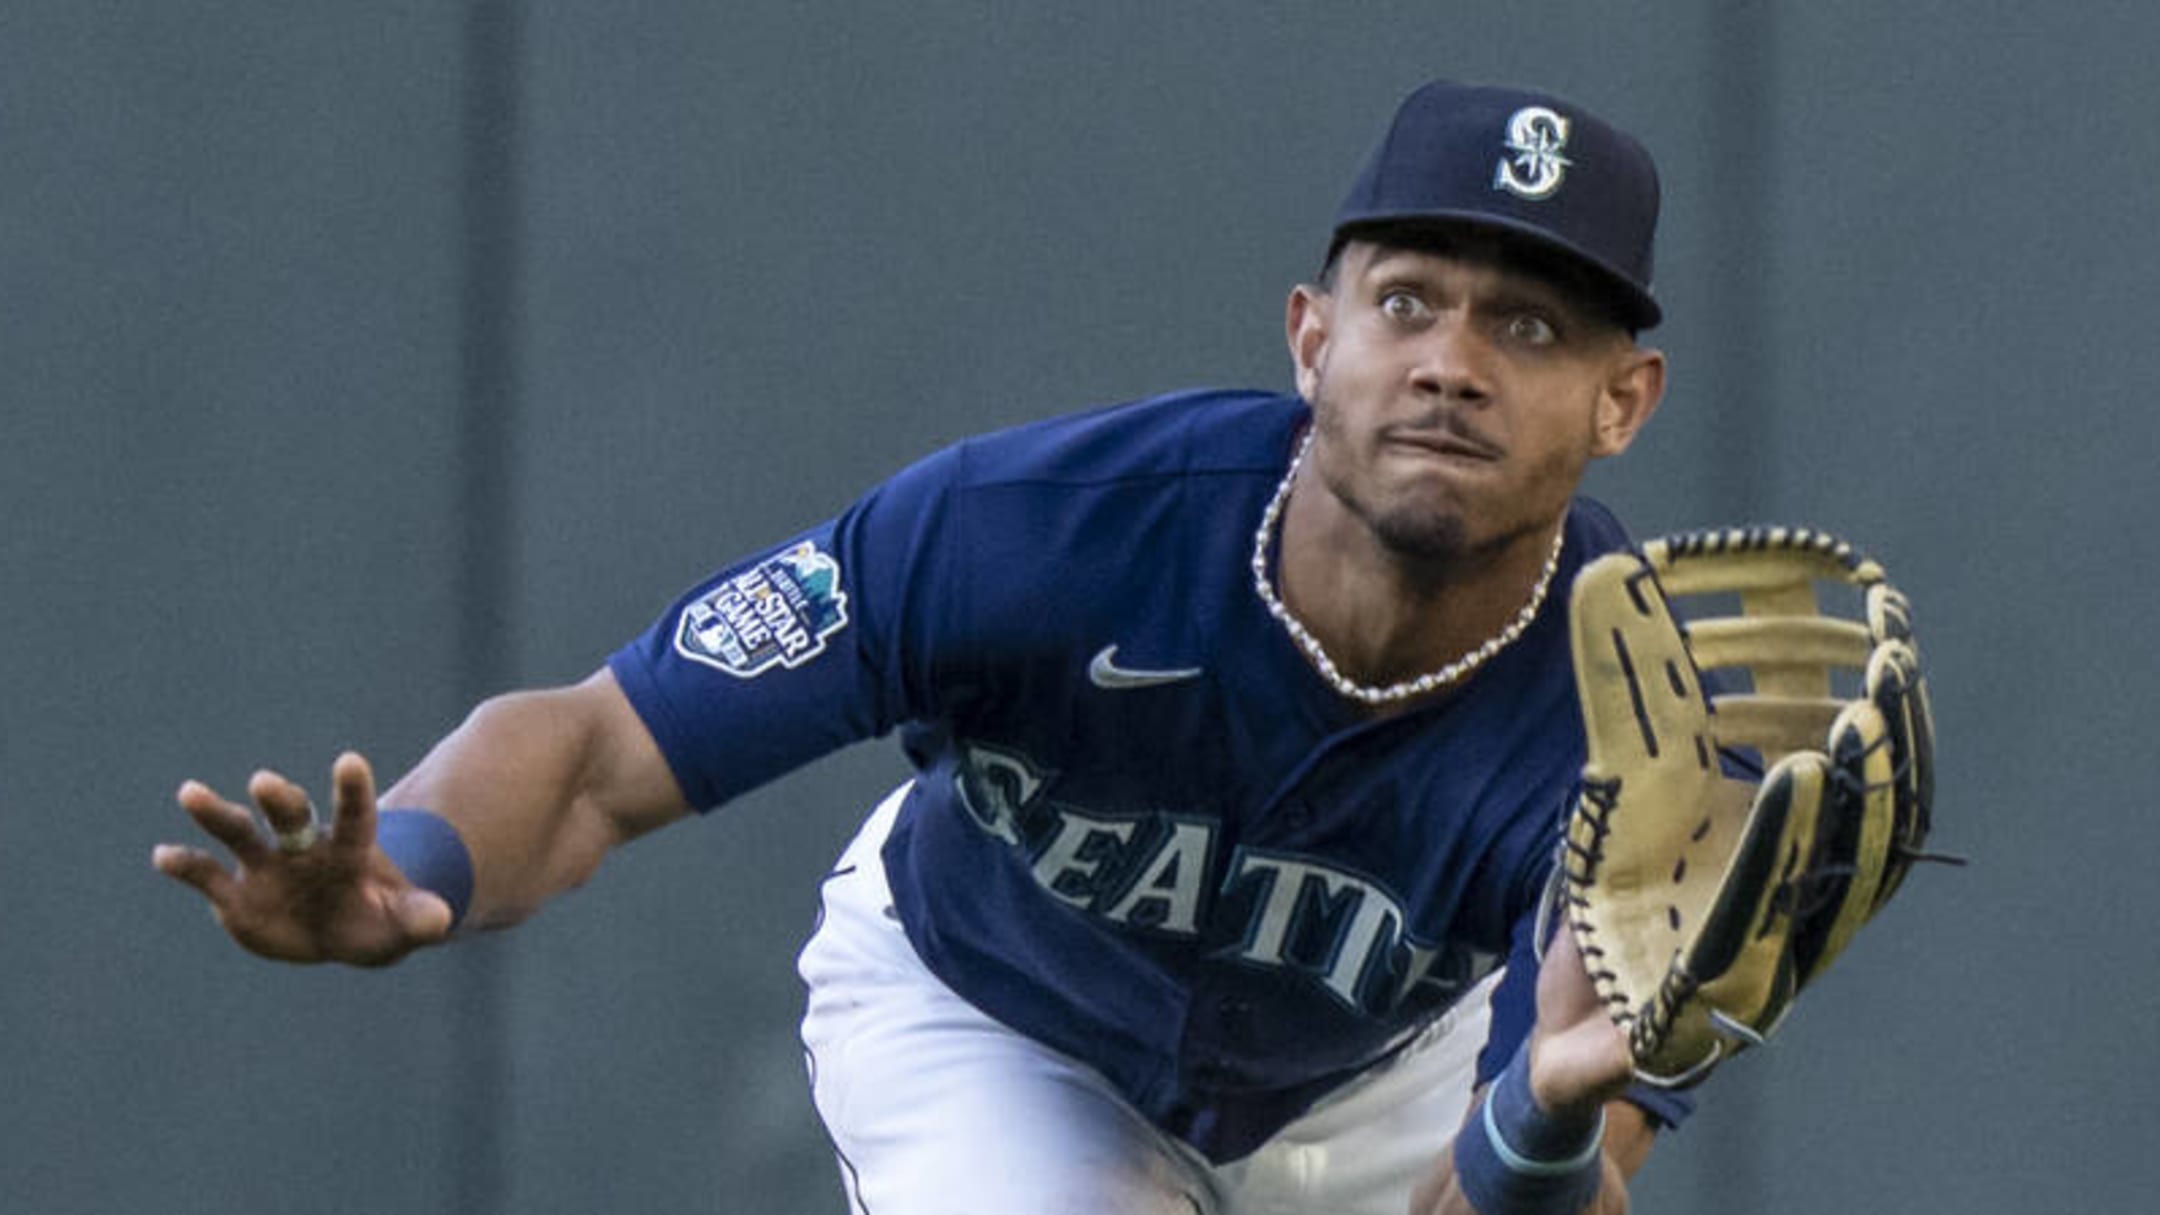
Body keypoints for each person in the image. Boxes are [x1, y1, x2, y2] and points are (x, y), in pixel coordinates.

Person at [154, 80, 1688, 1215]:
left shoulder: (1660, 747)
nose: (1449, 367)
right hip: (998, 1021)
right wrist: (415, 855)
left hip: (1390, 1085)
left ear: (1625, 402)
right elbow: (597, 752)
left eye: (1532, 329)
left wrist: (1546, 1130)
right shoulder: (1036, 532)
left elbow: (1525, 1179)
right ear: (1310, 337)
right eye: (1407, 301)